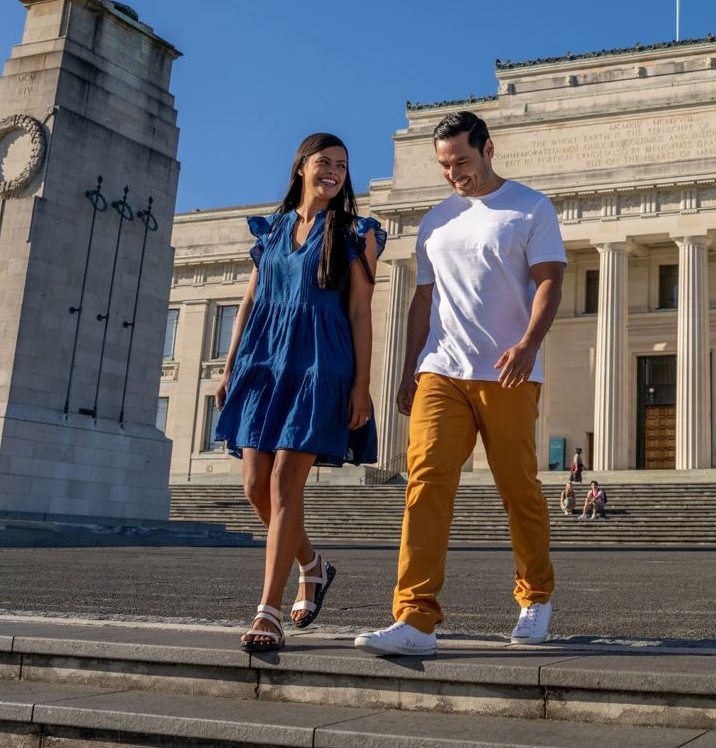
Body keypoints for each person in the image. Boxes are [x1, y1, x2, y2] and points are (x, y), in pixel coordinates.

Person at [355, 111, 567, 656]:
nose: (454, 174)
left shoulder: (530, 207)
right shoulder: (436, 220)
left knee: (517, 487)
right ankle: (415, 617)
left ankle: (535, 595)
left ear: (488, 149)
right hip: (441, 369)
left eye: (463, 162)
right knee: (424, 483)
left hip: (507, 372)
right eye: (445, 166)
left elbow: (550, 282)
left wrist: (528, 344)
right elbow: (423, 300)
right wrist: (410, 369)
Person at [213, 133, 383, 653]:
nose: (333, 171)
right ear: (301, 168)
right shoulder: (271, 231)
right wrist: (229, 368)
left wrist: (361, 385)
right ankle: (312, 564)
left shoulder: (355, 233)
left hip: (319, 364)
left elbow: (360, 312)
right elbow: (249, 302)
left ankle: (267, 612)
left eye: (342, 165)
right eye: (324, 162)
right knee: (254, 487)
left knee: (286, 483)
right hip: (263, 363)